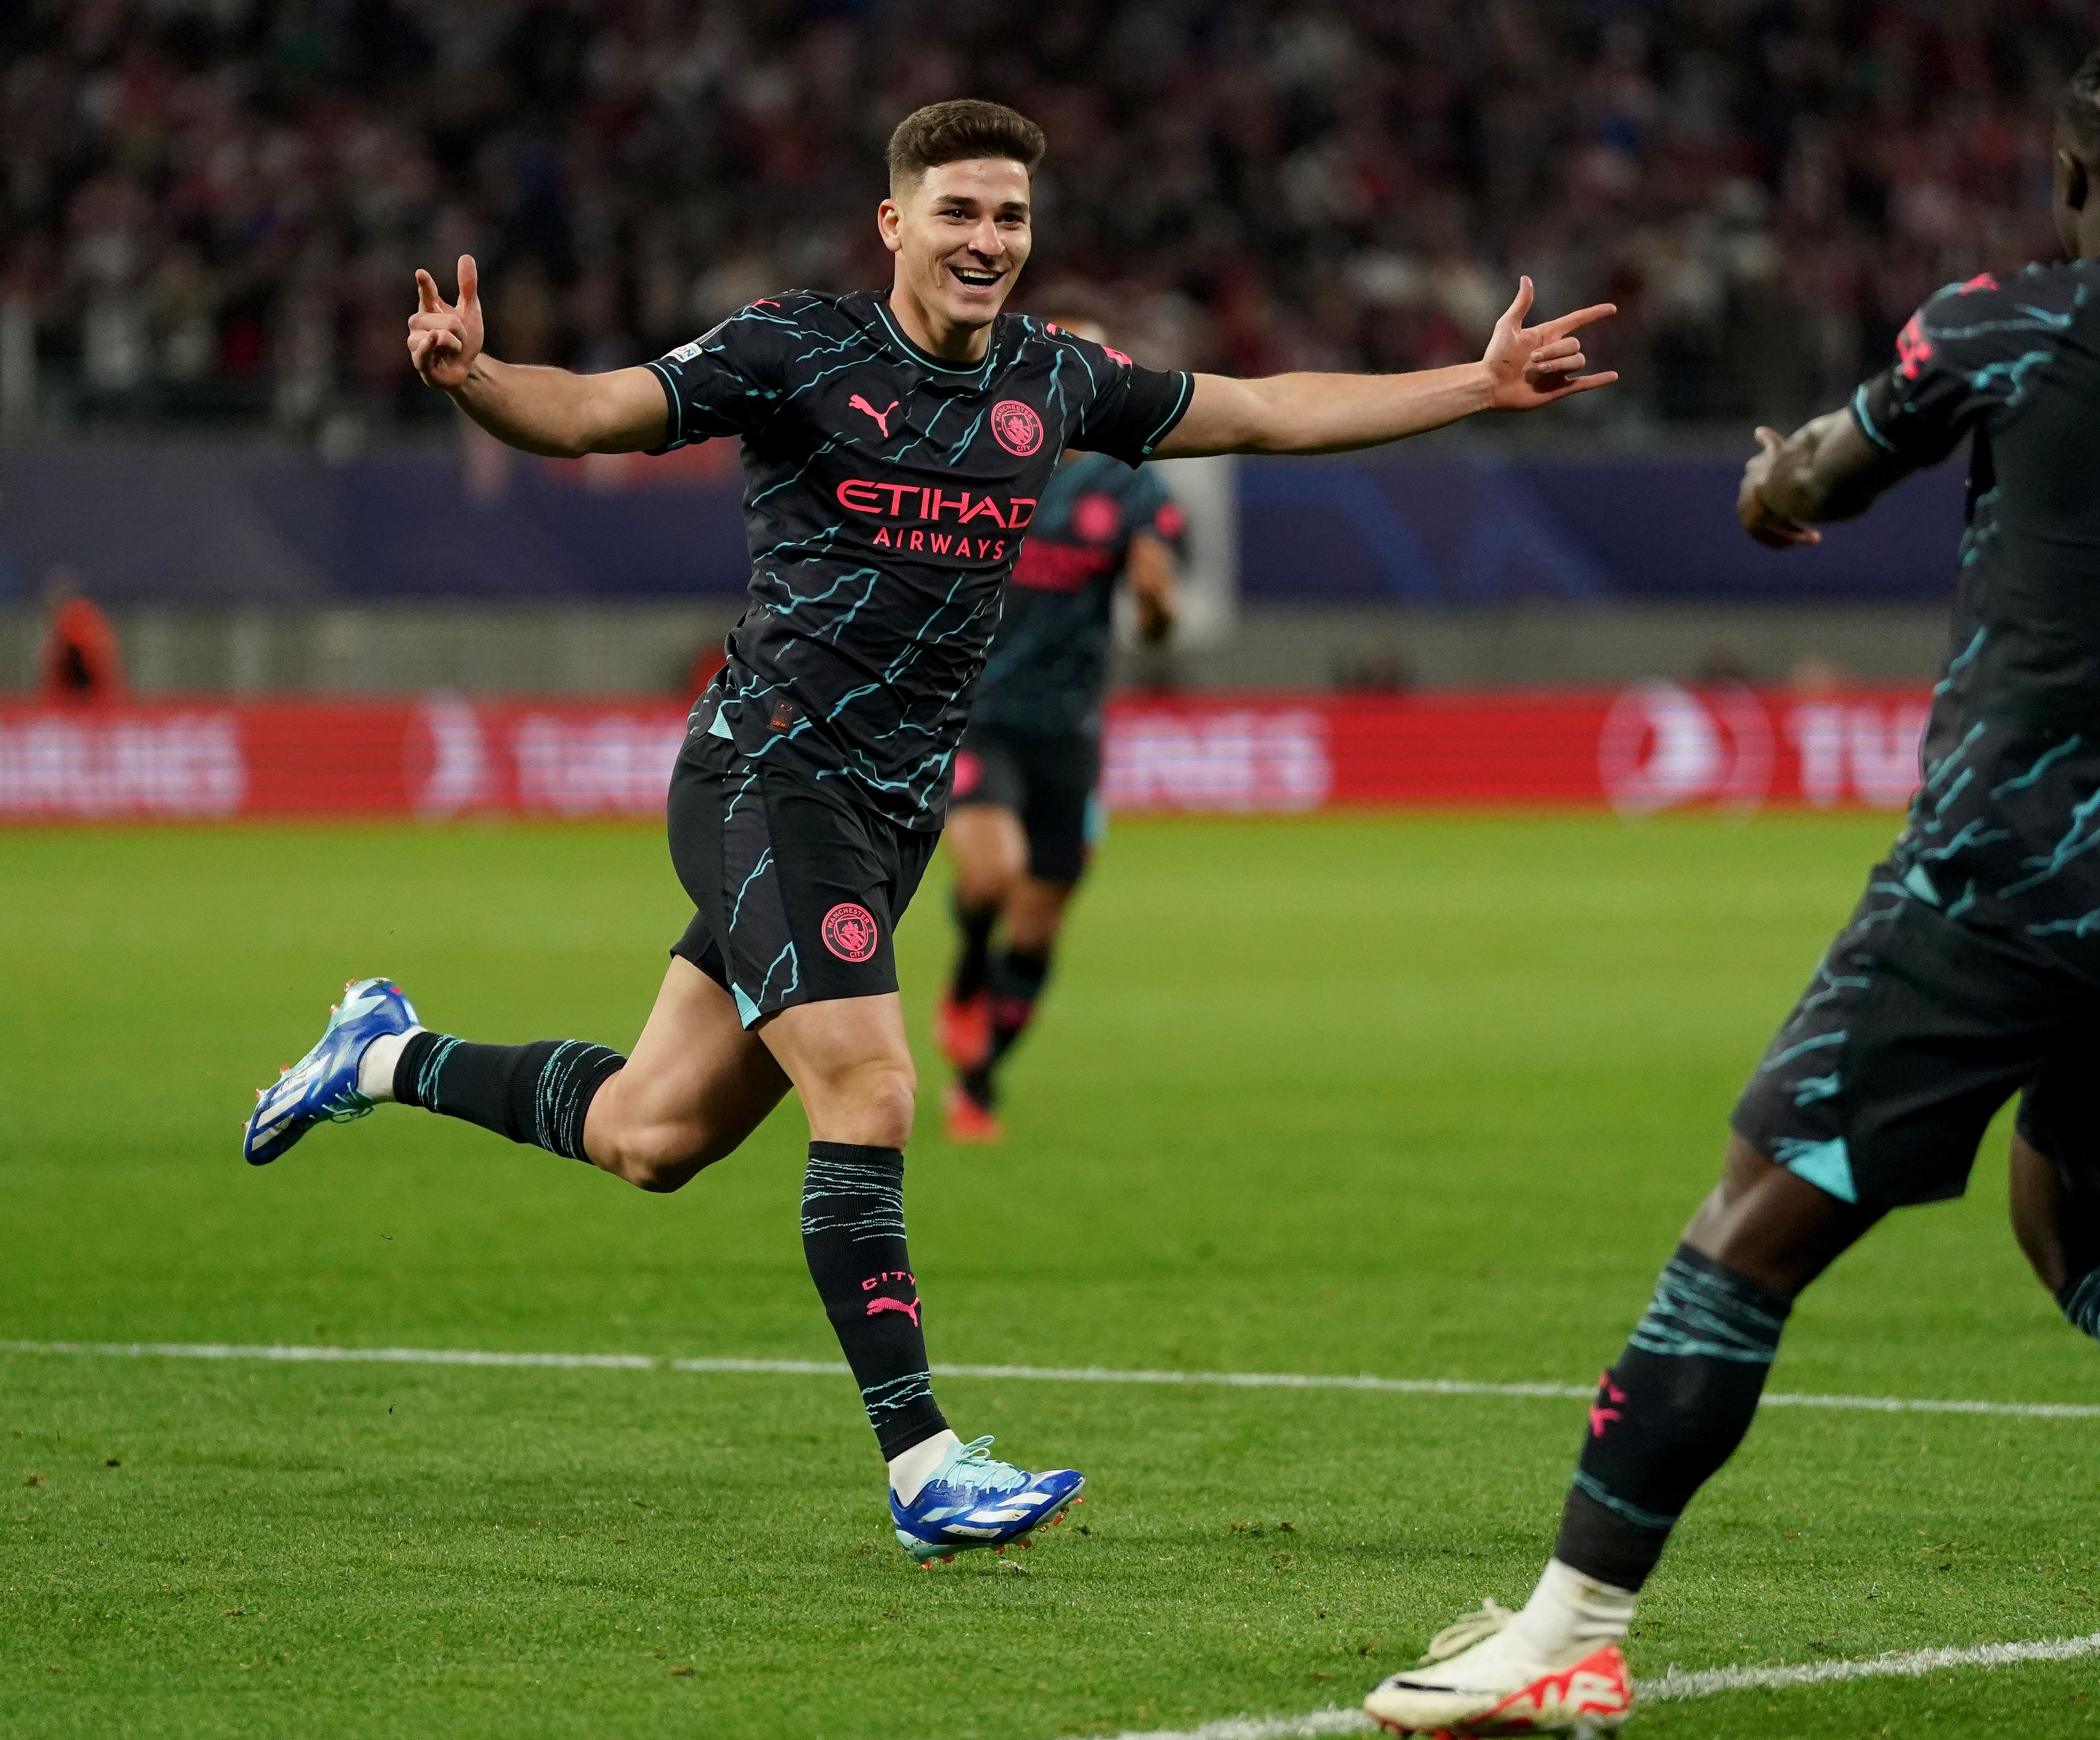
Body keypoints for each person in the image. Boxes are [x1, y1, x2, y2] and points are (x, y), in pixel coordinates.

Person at [242, 99, 1613, 1568]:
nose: (987, 241)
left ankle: (375, 1050)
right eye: (958, 212)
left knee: (652, 1132)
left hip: (886, 815)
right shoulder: (792, 350)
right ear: (892, 224)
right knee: (876, 1088)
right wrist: (476, 378)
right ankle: (924, 1463)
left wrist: (1470, 386)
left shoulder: (1054, 377)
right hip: (768, 777)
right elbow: (588, 413)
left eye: (1009, 217)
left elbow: (1266, 411)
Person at [1366, 28, 2100, 1739]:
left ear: (2077, 174)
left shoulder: (2019, 313)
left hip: (2011, 862)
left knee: (1748, 1228)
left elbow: (1812, 486)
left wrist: (1775, 479)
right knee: (2091, 1226)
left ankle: (1571, 1627)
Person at [935, 316, 1184, 1142]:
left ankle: (978, 1080)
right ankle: (968, 964)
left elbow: (1155, 629)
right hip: (974, 716)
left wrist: (1152, 604)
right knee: (991, 872)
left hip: (1067, 731)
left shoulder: (1127, 484)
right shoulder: (974, 454)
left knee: (1040, 921)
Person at [36, 567, 125, 703]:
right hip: (95, 696)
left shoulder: (76, 617)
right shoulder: (78, 616)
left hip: (87, 699)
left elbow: (87, 660)